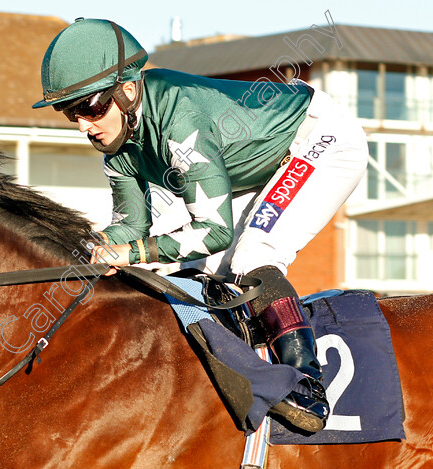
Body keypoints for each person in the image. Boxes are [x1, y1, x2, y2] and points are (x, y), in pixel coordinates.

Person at [33, 18, 368, 433]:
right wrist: (83, 246)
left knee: (253, 256)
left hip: (320, 138)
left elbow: (213, 232)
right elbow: (130, 228)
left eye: (91, 108)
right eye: (72, 114)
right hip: (258, 163)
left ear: (128, 90)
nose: (84, 125)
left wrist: (134, 253)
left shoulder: (178, 119)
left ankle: (306, 385)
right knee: (194, 271)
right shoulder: (119, 149)